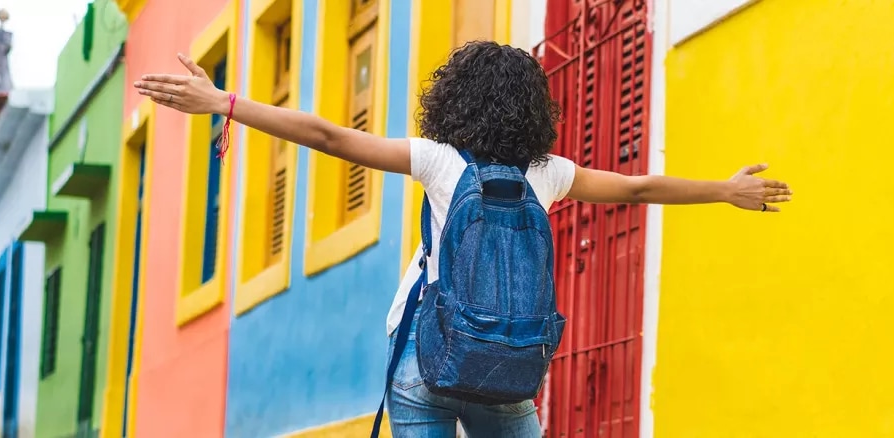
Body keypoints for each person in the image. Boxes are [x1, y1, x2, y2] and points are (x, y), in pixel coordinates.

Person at [135, 41, 790, 438]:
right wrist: (725, 189)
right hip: (508, 367)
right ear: (536, 108)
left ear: (454, 101)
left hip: (428, 354)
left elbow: (330, 136)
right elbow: (641, 189)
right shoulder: (549, 174)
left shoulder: (439, 160)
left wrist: (225, 103)